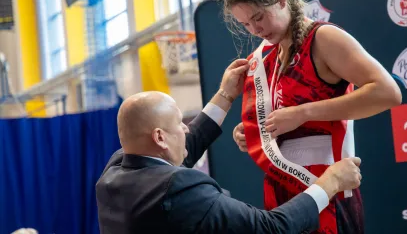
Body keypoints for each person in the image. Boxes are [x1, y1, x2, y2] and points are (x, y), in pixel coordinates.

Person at [95, 59, 363, 234]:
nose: (186, 128)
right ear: (160, 137)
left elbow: (187, 145)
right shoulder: (181, 192)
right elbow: (271, 228)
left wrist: (225, 95)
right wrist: (330, 182)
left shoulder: (116, 170)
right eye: (179, 123)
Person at [225, 0, 402, 233]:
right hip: (283, 187)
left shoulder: (324, 38)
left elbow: (389, 93)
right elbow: (285, 119)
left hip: (328, 183)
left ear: (281, 0)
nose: (255, 30)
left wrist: (303, 113)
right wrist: (255, 134)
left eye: (258, 18)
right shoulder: (268, 56)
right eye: (245, 24)